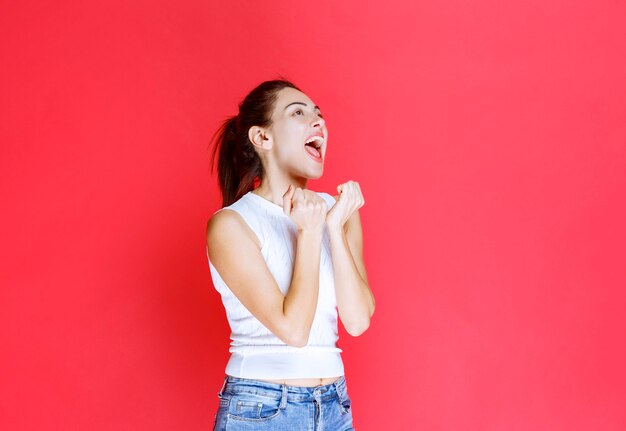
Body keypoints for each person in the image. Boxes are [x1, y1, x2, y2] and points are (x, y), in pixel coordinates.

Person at [205, 79, 375, 430]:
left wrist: (333, 227)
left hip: (334, 406)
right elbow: (294, 330)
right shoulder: (232, 225)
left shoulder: (339, 211)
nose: (319, 123)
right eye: (298, 112)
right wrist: (310, 232)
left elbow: (357, 321)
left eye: (319, 115)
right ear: (262, 138)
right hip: (260, 408)